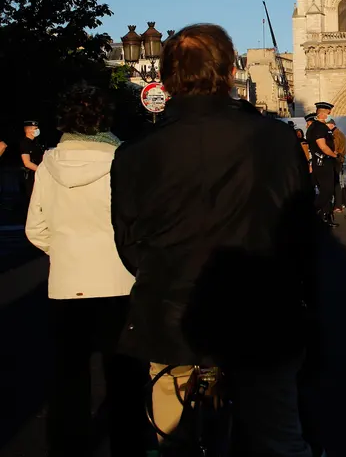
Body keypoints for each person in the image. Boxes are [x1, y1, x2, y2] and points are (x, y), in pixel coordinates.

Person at [110, 23, 315, 456]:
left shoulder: (134, 152)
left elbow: (128, 244)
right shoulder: (275, 138)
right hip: (264, 316)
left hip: (173, 319)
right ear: (227, 72)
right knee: (277, 439)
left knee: (173, 439)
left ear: (166, 78)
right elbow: (300, 233)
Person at [26, 84, 150, 457]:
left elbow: (36, 229)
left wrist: (65, 250)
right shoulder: (124, 161)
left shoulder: (48, 163)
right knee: (125, 381)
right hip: (119, 281)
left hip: (67, 283)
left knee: (68, 379)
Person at [306, 101, 340, 226]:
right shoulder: (319, 128)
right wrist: (334, 154)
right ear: (322, 114)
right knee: (327, 190)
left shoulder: (314, 127)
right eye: (328, 113)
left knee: (324, 190)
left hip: (319, 162)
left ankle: (326, 217)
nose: (329, 115)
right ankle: (312, 211)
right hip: (323, 162)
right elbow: (322, 146)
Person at [19, 119, 44, 212]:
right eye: (35, 128)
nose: (37, 130)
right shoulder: (25, 143)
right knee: (30, 200)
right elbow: (27, 162)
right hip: (29, 175)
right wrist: (41, 170)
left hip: (37, 174)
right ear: (28, 130)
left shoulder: (36, 143)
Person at [327, 118, 346, 214]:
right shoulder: (338, 133)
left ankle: (337, 205)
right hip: (338, 159)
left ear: (331, 125)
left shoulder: (335, 135)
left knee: (335, 182)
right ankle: (337, 204)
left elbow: (333, 149)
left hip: (335, 160)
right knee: (335, 182)